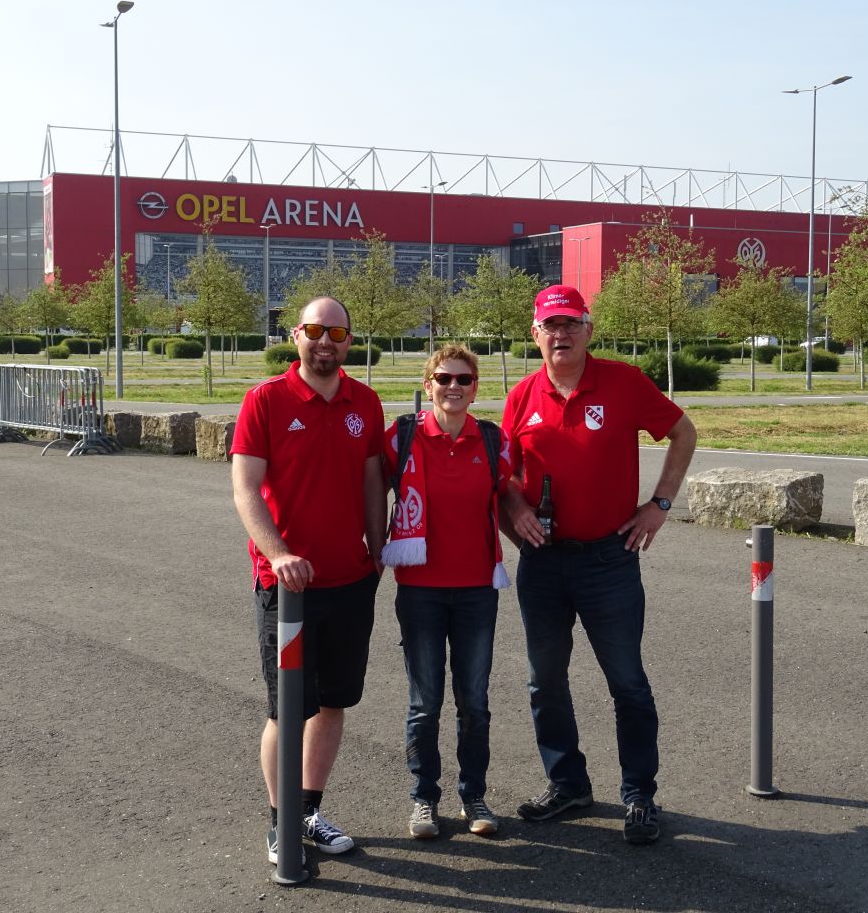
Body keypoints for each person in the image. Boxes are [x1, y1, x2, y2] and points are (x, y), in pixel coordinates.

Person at [500, 284, 697, 845]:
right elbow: (504, 479)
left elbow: (683, 432)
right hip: (543, 564)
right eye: (549, 326)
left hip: (609, 560)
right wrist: (515, 509)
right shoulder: (522, 396)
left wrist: (659, 506)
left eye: (570, 324)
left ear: (589, 329)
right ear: (535, 334)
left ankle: (639, 793)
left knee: (627, 681)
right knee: (545, 681)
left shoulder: (623, 382)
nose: (559, 335)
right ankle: (568, 785)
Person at [230, 296, 386, 868]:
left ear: (349, 340)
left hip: (350, 580)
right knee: (287, 709)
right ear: (295, 335)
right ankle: (282, 823)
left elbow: (374, 479)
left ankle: (309, 811)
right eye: (315, 330)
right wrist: (278, 555)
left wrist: (378, 546)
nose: (326, 341)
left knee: (334, 702)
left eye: (337, 331)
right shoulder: (266, 400)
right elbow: (246, 488)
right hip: (287, 587)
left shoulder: (364, 402)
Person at [382, 345, 512, 841]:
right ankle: (423, 799)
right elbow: (369, 487)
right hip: (420, 590)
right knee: (425, 702)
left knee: (474, 702)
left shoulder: (492, 440)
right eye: (443, 378)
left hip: (479, 588)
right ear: (428, 383)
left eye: (463, 379)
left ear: (475, 385)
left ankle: (473, 795)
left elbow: (511, 497)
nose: (453, 387)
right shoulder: (403, 437)